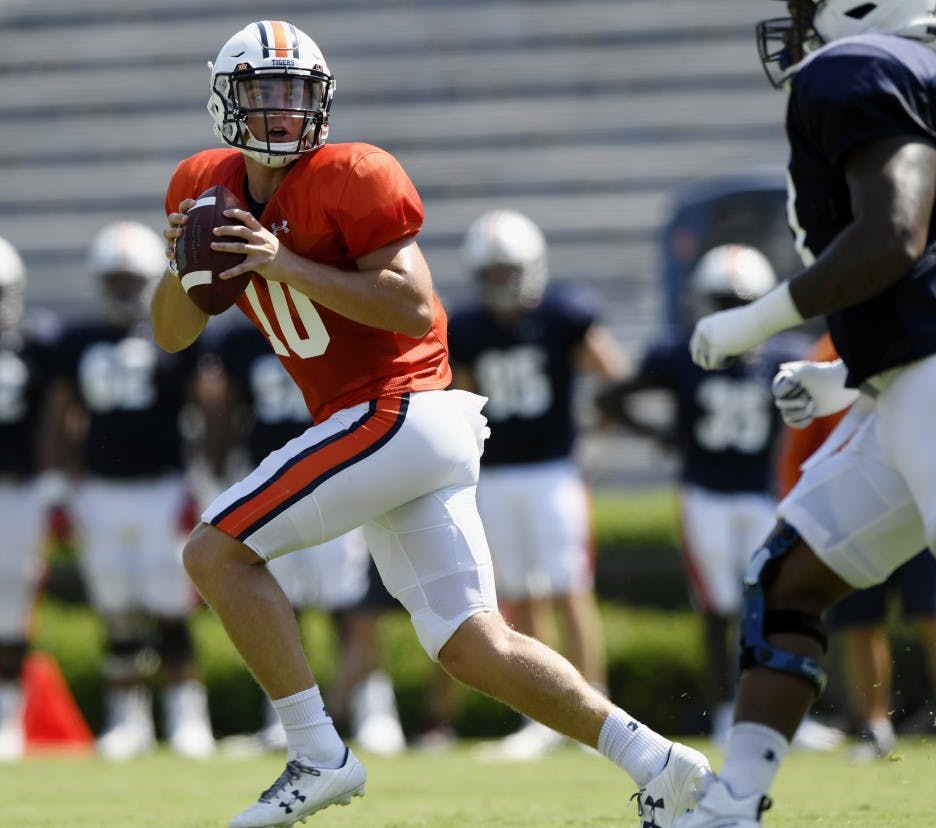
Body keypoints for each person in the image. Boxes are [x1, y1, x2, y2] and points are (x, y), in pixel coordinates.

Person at [151, 20, 709, 828]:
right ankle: (662, 763)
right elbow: (171, 333)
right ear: (224, 99)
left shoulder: (354, 172)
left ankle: (316, 753)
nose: (279, 111)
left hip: (399, 409)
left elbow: (413, 308)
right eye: (262, 93)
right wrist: (185, 265)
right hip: (398, 432)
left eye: (295, 93)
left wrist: (279, 259)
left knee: (214, 551)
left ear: (321, 100)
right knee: (471, 644)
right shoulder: (203, 184)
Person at [679, 1, 936, 823]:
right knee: (786, 579)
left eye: (804, 4)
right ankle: (730, 805)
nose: (795, 22)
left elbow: (893, 234)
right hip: (914, 376)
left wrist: (754, 320)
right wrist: (851, 375)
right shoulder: (920, 73)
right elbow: (925, 262)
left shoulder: (857, 67)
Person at [598, 244, 840, 751]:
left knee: (775, 603)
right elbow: (611, 397)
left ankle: (784, 715)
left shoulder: (780, 357)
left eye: (740, 302)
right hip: (704, 493)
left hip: (760, 494)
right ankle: (729, 712)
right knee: (719, 608)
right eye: (722, 301)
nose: (731, 313)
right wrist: (661, 435)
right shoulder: (682, 353)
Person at [447, 208, 626, 759]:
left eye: (509, 270)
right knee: (520, 598)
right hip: (498, 474)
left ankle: (599, 708)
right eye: (493, 273)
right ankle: (549, 716)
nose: (502, 282)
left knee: (569, 588)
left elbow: (616, 376)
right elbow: (464, 401)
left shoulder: (565, 314)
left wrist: (592, 435)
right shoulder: (471, 328)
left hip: (551, 472)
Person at [41, 220, 215, 761]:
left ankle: (188, 716)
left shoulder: (174, 337)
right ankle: (127, 718)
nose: (122, 289)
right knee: (116, 609)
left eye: (130, 278)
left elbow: (204, 406)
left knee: (170, 606)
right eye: (113, 280)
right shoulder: (80, 341)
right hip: (99, 488)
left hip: (163, 486)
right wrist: (62, 482)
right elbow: (62, 413)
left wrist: (203, 478)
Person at [199, 318, 405, 755]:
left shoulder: (334, 315)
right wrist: (217, 460)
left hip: (337, 477)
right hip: (270, 483)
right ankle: (287, 716)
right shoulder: (240, 338)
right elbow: (232, 402)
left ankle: (375, 709)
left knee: (349, 604)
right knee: (276, 601)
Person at [777, 333, 936, 763]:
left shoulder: (929, 335)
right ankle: (873, 726)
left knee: (935, 612)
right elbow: (803, 439)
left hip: (919, 498)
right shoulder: (827, 351)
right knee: (858, 621)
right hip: (852, 507)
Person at [0, 236, 60, 761]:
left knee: (12, 610)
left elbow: (58, 414)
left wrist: (53, 476)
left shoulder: (36, 344)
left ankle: (6, 718)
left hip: (17, 490)